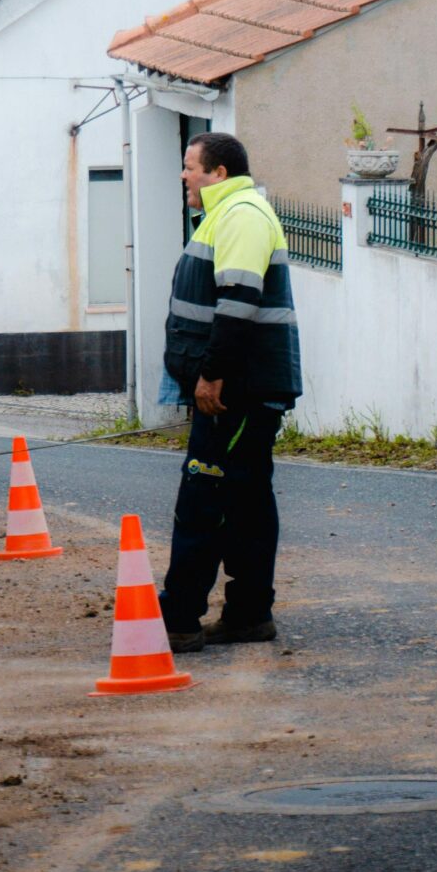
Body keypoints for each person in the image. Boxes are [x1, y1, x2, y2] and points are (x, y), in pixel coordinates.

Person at [158, 131, 302, 654]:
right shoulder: (229, 214)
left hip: (234, 391)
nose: (183, 176)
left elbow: (238, 301)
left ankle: (177, 618)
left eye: (190, 167)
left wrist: (211, 374)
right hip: (238, 387)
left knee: (205, 497)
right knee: (245, 502)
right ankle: (248, 614)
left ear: (218, 173)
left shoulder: (241, 214)